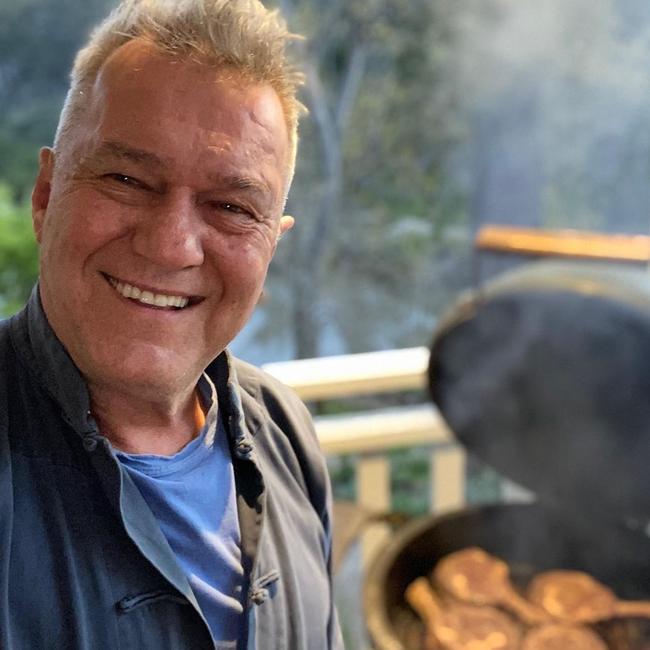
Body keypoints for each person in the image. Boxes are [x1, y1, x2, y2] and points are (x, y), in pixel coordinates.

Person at [0, 1, 343, 648]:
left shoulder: (285, 436)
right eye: (127, 178)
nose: (170, 246)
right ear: (46, 196)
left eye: (232, 207)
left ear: (272, 246)